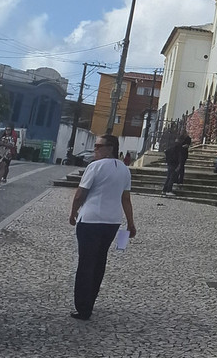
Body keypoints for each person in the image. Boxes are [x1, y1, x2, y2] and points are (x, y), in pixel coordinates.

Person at [68, 134, 136, 320]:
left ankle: (83, 307)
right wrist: (130, 223)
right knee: (99, 262)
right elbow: (126, 199)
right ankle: (90, 300)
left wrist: (73, 212)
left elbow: (80, 193)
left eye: (99, 146)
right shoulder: (124, 170)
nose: (95, 149)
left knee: (86, 263)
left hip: (90, 219)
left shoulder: (94, 167)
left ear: (110, 148)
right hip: (112, 221)